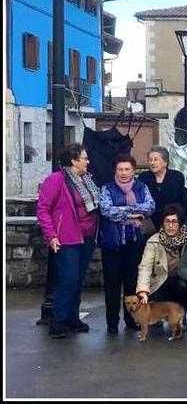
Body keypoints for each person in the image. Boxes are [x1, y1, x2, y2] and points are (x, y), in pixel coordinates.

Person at [37, 143, 100, 339]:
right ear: (73, 160)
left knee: (79, 279)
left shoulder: (87, 179)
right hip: (66, 238)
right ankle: (58, 321)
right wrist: (52, 235)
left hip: (87, 237)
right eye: (84, 158)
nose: (87, 161)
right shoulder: (56, 180)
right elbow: (43, 209)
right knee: (68, 279)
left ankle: (73, 318)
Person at [99, 153, 155, 334]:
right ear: (115, 170)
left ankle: (132, 321)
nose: (123, 173)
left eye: (127, 169)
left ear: (133, 170)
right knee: (112, 287)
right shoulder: (107, 188)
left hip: (135, 243)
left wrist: (122, 211)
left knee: (132, 286)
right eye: (120, 169)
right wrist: (132, 214)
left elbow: (150, 207)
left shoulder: (141, 187)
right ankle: (112, 323)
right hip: (113, 245)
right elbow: (107, 211)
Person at [136, 204, 187, 313]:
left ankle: (181, 316)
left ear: (180, 224)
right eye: (167, 221)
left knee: (182, 286)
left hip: (181, 282)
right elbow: (145, 267)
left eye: (174, 222)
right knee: (153, 300)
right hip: (160, 282)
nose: (170, 225)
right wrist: (143, 290)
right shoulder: (153, 241)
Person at [137, 145, 187, 233]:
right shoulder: (144, 178)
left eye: (155, 160)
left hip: (174, 221)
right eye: (150, 160)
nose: (152, 163)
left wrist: (178, 217)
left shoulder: (176, 177)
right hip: (152, 221)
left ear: (165, 162)